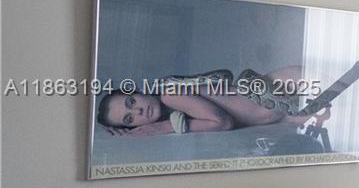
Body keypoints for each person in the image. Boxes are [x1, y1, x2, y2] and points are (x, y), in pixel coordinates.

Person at [96, 65, 327, 137]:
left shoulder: (170, 93)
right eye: (129, 118)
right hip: (284, 112)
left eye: (130, 102)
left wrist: (157, 128)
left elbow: (222, 122)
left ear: (137, 91)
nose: (138, 110)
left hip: (286, 85)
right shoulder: (179, 118)